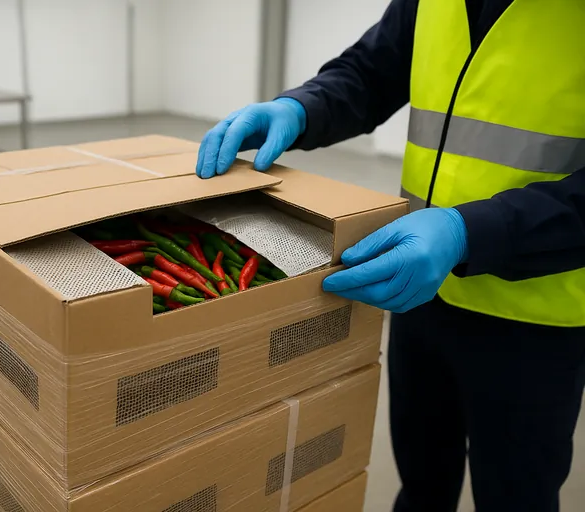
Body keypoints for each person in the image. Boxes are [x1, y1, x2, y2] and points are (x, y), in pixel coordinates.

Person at [196, 1, 585, 511]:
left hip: (533, 321)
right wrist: (300, 107)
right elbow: (370, 72)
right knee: (421, 482)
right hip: (419, 294)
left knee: (518, 495)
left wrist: (467, 232)